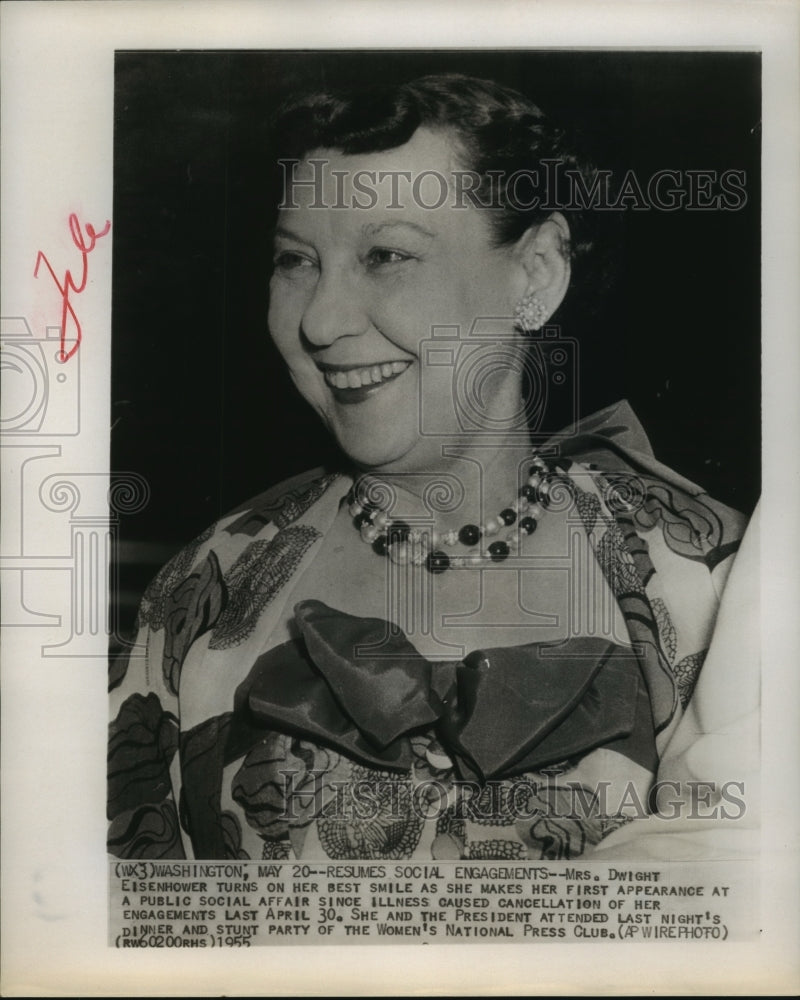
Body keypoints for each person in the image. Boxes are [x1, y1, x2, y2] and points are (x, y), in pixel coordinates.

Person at [108, 74, 755, 862]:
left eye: (386, 255)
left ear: (536, 272)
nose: (320, 320)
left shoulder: (708, 577)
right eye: (295, 261)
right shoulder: (209, 586)